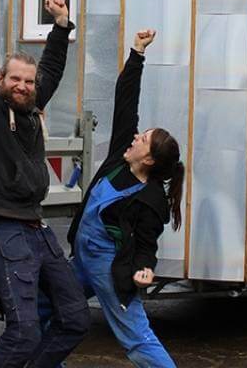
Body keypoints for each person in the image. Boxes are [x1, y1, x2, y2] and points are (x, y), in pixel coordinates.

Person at [0, 0, 90, 368]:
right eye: (15, 79)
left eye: (28, 81)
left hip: (36, 227)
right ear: (2, 80)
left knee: (75, 318)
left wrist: (61, 24)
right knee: (22, 332)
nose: (22, 85)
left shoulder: (32, 106)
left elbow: (51, 67)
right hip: (5, 227)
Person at [65, 28, 184, 368]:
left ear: (148, 159)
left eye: (142, 139)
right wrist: (137, 53)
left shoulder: (150, 200)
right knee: (49, 309)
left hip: (107, 267)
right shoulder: (120, 156)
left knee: (136, 339)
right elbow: (126, 100)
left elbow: (147, 243)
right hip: (81, 262)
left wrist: (145, 269)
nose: (135, 137)